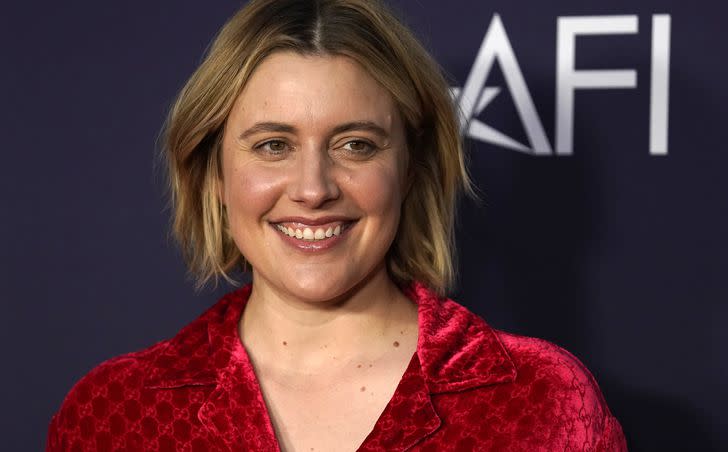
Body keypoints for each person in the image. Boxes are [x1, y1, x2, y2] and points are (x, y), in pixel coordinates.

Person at [47, 0, 627, 450]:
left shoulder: (540, 401)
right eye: (273, 145)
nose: (313, 188)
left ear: (410, 167)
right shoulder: (113, 413)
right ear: (214, 174)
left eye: (355, 145)